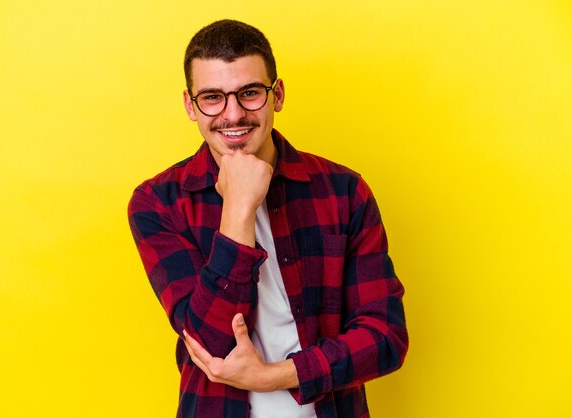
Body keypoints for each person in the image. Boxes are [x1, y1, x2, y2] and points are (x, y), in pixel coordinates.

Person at [128, 19, 408, 418]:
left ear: (277, 95)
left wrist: (275, 375)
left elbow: (385, 337)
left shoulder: (342, 191)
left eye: (249, 93)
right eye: (212, 97)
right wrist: (239, 208)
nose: (234, 114)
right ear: (190, 106)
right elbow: (210, 341)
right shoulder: (158, 203)